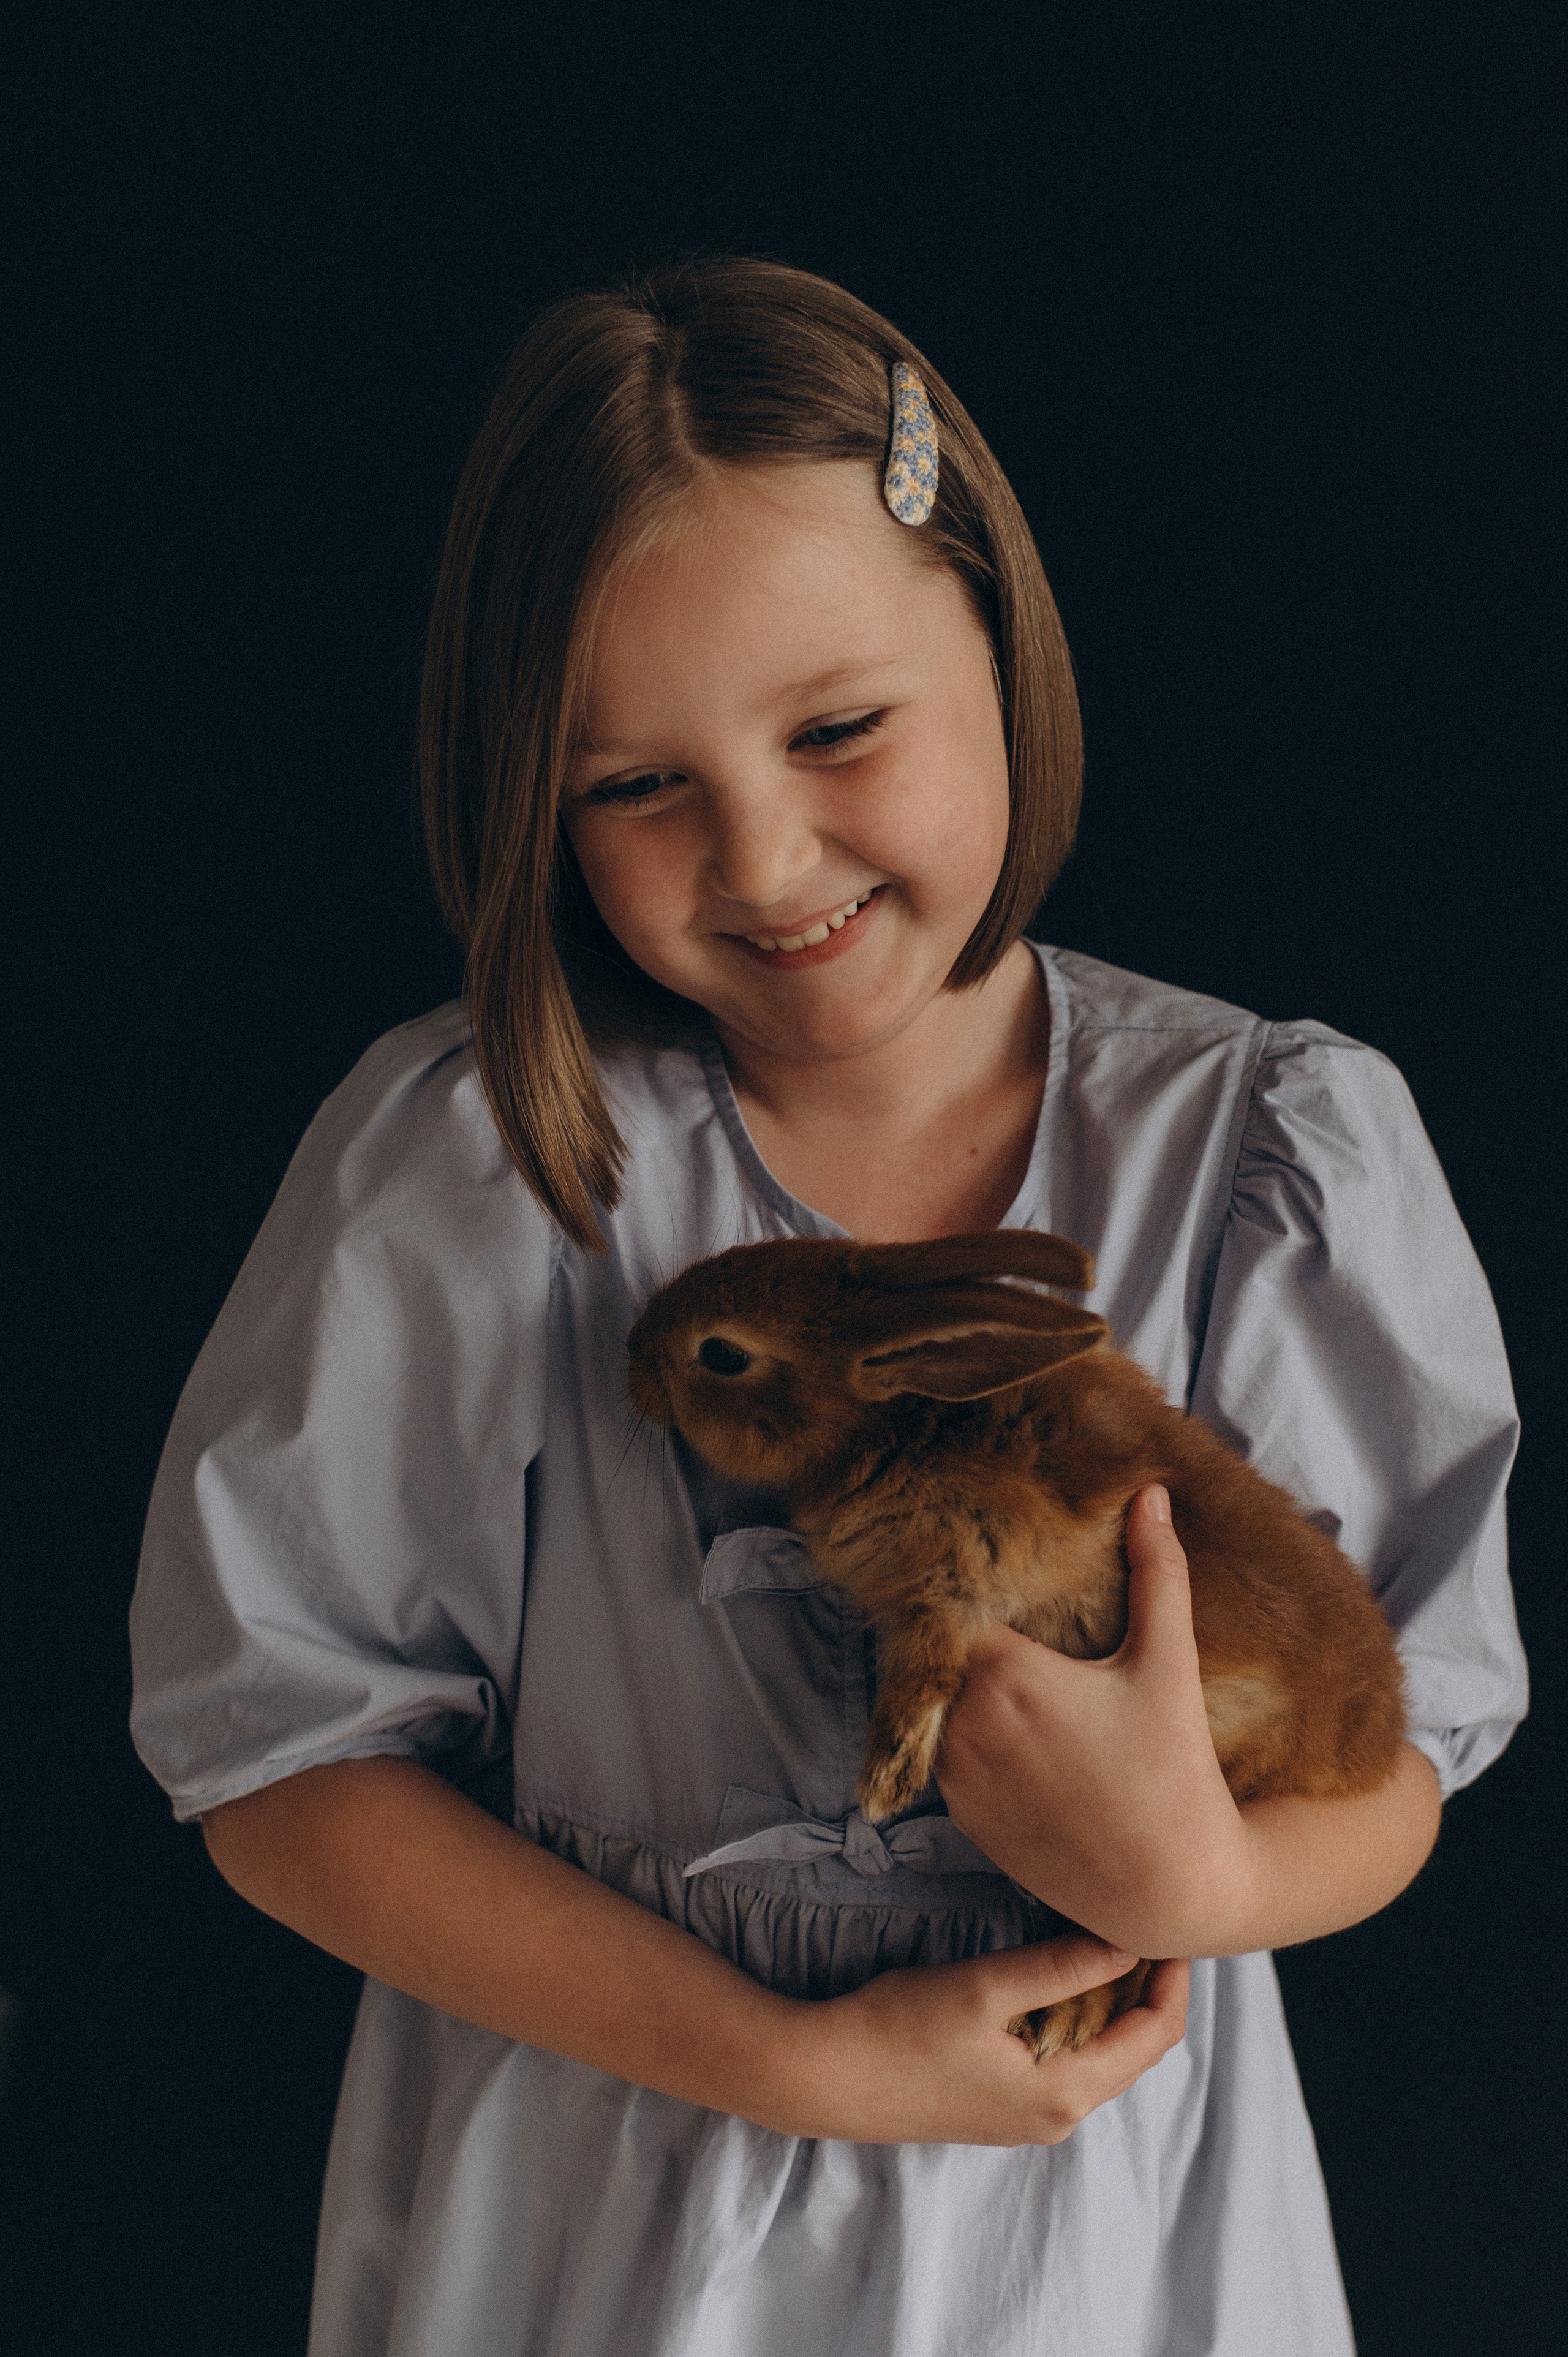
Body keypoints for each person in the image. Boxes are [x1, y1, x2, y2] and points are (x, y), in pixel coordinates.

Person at [129, 259, 1525, 2356]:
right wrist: (792, 2063)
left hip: (1108, 2239)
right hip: (609, 2215)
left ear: (995, 625)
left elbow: (1402, 1749)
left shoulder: (1262, 1151)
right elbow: (277, 1772)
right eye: (633, 786)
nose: (765, 857)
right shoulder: (492, 1162)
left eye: (839, 728)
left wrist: (1209, 1889)